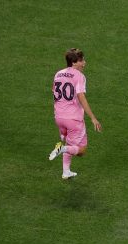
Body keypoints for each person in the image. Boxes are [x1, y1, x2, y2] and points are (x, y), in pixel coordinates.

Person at [49, 48, 102, 179]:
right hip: (73, 119)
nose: (84, 63)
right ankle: (61, 149)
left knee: (69, 142)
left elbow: (53, 91)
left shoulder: (58, 74)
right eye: (81, 60)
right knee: (81, 150)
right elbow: (81, 97)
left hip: (58, 117)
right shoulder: (79, 76)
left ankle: (66, 171)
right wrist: (93, 118)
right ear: (73, 62)